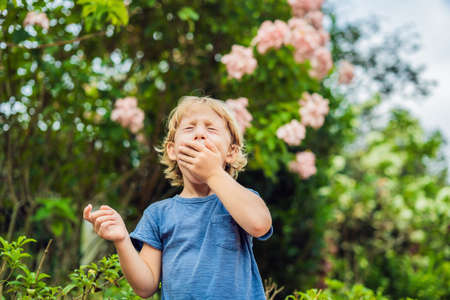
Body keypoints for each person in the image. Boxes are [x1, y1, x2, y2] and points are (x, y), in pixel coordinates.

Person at [83, 95, 273, 299]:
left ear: (231, 153)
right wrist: (122, 240)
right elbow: (145, 287)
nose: (200, 134)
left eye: (211, 129)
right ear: (172, 150)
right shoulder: (158, 214)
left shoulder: (240, 200)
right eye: (189, 128)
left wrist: (212, 173)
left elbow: (259, 224)